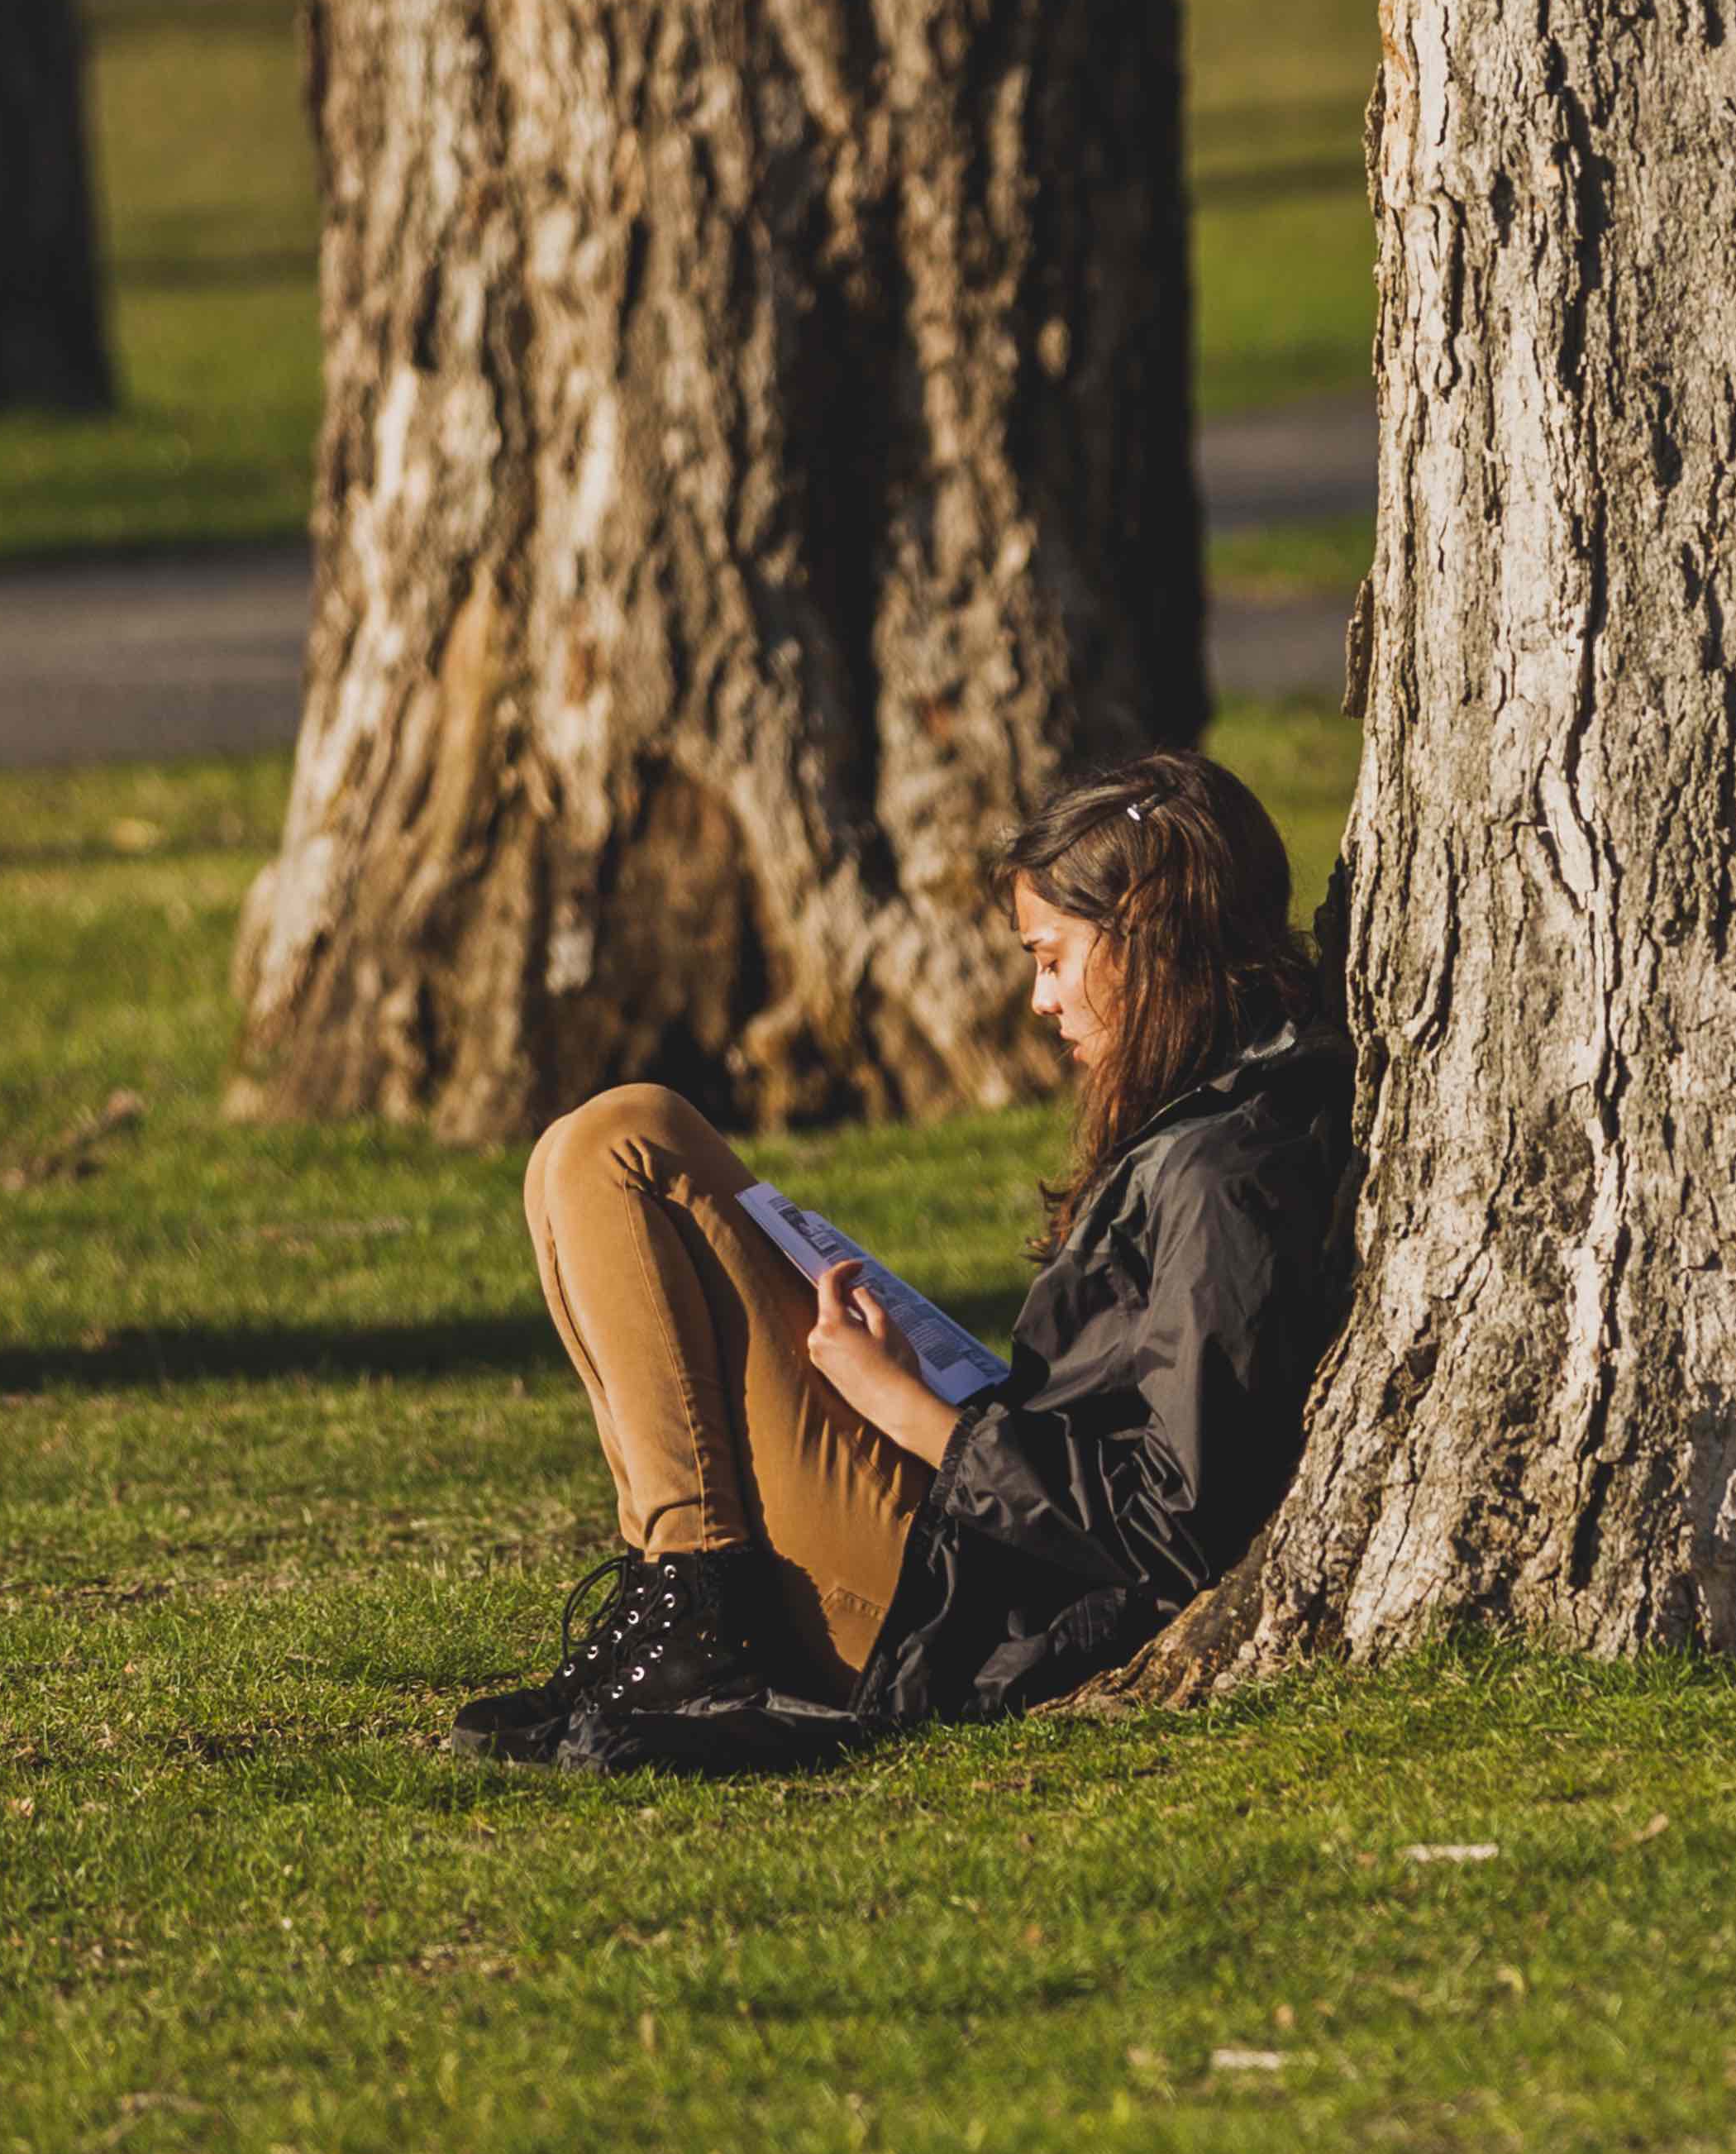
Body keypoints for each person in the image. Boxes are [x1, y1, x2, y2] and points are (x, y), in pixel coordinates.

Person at [451, 749, 1355, 1763]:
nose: (1040, 1002)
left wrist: (913, 1413)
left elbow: (1175, 1524)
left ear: (1149, 936)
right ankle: (679, 1594)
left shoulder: (1225, 1171)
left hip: (966, 1619)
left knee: (620, 1143)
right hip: (971, 1550)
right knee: (603, 1147)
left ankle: (693, 1611)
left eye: (1053, 956)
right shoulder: (1219, 1117)